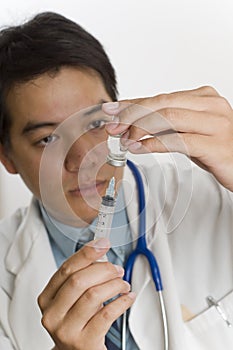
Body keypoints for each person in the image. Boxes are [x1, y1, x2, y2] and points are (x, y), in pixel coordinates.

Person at [0, 11, 233, 350]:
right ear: (6, 156)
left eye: (95, 124)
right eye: (48, 139)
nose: (83, 161)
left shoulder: (214, 194)